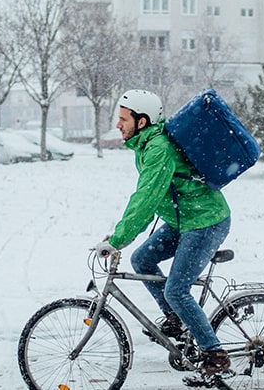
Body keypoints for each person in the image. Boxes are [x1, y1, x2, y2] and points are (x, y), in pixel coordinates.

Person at [94, 89, 232, 379]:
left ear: (141, 122)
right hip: (185, 220)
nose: (118, 124)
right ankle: (177, 319)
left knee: (177, 290)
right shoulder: (146, 145)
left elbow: (145, 199)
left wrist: (118, 239)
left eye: (123, 119)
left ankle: (215, 354)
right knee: (142, 259)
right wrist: (121, 236)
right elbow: (152, 197)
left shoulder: (158, 149)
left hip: (205, 221)